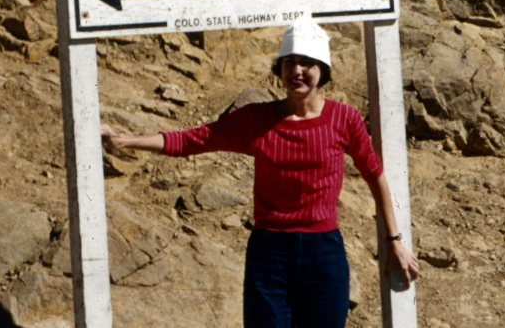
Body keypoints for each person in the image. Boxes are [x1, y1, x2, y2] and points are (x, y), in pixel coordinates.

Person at [100, 16, 419, 327]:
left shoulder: (344, 119)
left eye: (306, 62)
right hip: (269, 257)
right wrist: (124, 141)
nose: (296, 70)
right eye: (289, 62)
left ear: (322, 70)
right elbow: (192, 140)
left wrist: (394, 239)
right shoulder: (256, 120)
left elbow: (374, 175)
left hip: (324, 255)